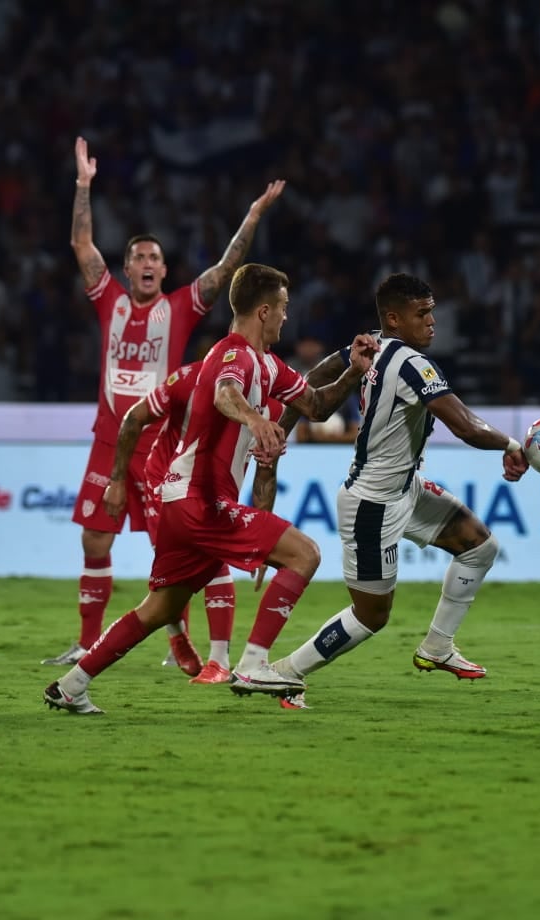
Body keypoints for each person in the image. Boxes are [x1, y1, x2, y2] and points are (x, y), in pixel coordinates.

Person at [44, 263, 378, 714]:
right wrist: (257, 419)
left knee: (160, 608)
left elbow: (316, 406)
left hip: (183, 504)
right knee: (306, 554)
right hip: (200, 500)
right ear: (263, 311)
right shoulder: (232, 354)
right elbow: (225, 394)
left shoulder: (269, 366)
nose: (285, 317)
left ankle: (72, 685)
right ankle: (255, 663)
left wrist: (354, 370)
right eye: (282, 308)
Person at [43, 136, 287, 666]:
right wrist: (84, 185)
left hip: (163, 448)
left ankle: (186, 641)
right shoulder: (110, 300)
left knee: (180, 552)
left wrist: (251, 214)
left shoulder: (178, 307)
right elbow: (83, 247)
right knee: (94, 543)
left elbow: (226, 271)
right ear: (127, 270)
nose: (148, 263)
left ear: (163, 269)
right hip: (110, 439)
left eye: (155, 257)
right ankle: (88, 642)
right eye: (138, 258)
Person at [254, 273, 528, 710]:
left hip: (406, 489)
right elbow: (463, 425)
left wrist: (283, 427)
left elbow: (323, 370)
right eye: (423, 314)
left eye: (433, 310)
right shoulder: (414, 365)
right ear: (395, 319)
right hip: (372, 504)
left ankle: (437, 647)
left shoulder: (373, 344)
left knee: (479, 547)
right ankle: (283, 673)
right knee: (371, 617)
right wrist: (513, 445)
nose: (433, 321)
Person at [100, 360, 255, 684]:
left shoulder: (260, 382)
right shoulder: (184, 381)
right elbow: (134, 418)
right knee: (171, 572)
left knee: (215, 562)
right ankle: (178, 636)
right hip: (164, 482)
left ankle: (218, 662)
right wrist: (117, 482)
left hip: (211, 484)